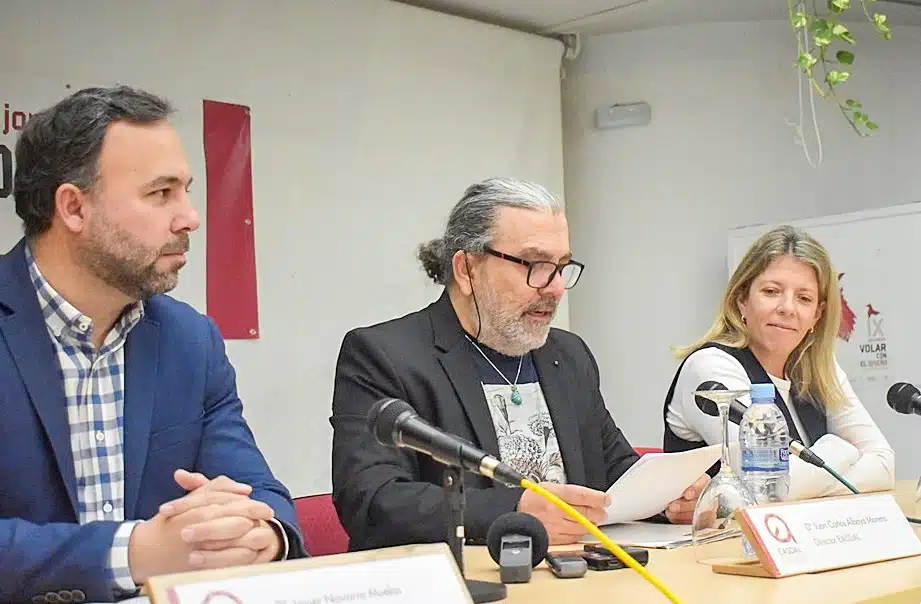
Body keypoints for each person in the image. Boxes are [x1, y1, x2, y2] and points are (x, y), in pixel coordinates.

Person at [0, 86, 306, 603]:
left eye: (186, 190)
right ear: (73, 207)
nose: (190, 218)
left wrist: (261, 535)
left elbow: (257, 490)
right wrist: (135, 552)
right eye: (161, 193)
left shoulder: (190, 340)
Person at [330, 177, 708, 551]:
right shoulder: (385, 355)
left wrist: (670, 499)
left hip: (578, 574)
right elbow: (373, 500)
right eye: (535, 264)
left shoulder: (567, 354)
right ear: (466, 270)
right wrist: (515, 510)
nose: (555, 287)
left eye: (561, 266)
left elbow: (613, 471)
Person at [663, 225, 895, 500]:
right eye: (772, 291)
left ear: (817, 315)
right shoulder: (710, 367)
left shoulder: (819, 367)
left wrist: (802, 482)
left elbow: (884, 465)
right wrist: (841, 449)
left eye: (804, 298)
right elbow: (769, 488)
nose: (787, 308)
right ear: (741, 299)